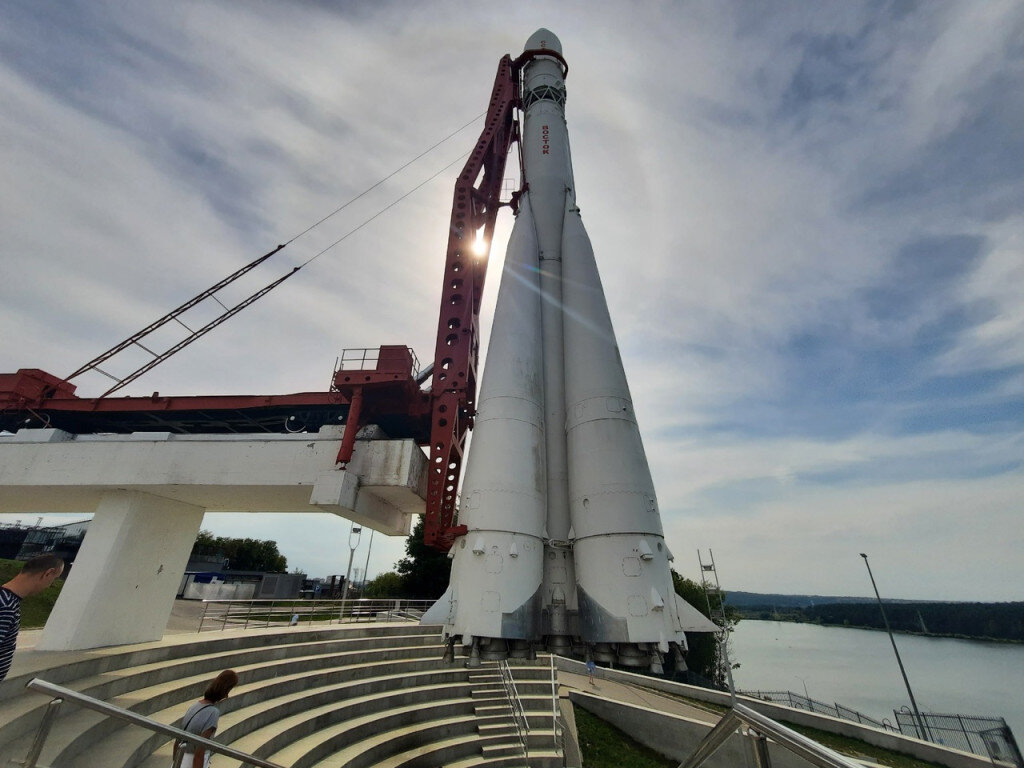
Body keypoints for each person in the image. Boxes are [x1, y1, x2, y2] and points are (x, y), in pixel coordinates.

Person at [0, 554, 65, 682]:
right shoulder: (6, 605)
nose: (49, 586)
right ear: (48, 573)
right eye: (54, 579)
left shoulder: (7, 600)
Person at [175, 669, 238, 768]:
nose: (227, 696)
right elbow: (199, 753)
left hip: (181, 760)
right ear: (225, 690)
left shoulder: (195, 706)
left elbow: (177, 742)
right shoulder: (212, 713)